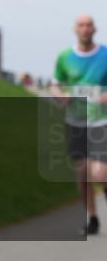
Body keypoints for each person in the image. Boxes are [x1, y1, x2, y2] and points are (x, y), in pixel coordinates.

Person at [49, 14, 107, 236]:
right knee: (83, 172)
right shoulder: (64, 57)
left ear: (95, 29)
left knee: (100, 174)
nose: (85, 29)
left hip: (102, 120)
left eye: (89, 25)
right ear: (75, 29)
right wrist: (60, 96)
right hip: (76, 121)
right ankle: (92, 218)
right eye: (81, 25)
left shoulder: (105, 54)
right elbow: (55, 85)